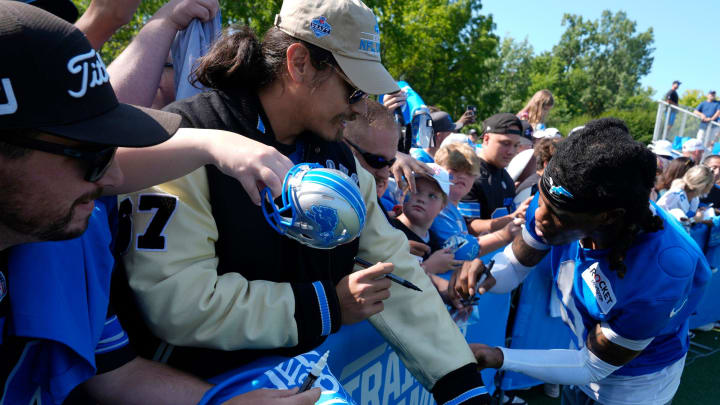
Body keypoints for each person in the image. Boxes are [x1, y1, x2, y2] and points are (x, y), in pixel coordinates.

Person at [120, 0, 491, 402]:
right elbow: (180, 303)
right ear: (298, 63)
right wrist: (326, 306)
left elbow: (396, 271)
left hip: (294, 381)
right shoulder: (189, 140)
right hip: (196, 387)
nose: (358, 108)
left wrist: (463, 387)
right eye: (353, 89)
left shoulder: (339, 158)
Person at [0, 3, 320, 404]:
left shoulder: (62, 236)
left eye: (111, 155)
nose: (113, 179)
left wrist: (219, 402)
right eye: (92, 158)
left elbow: (115, 374)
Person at [452, 118, 711, 405]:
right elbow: (512, 269)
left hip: (634, 385)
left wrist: (500, 356)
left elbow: (593, 366)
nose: (539, 215)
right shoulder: (561, 196)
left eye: (557, 214)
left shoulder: (661, 272)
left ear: (608, 217)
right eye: (542, 200)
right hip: (581, 355)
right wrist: (485, 272)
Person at [459, 113, 529, 236]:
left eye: (516, 145)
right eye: (505, 143)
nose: (511, 151)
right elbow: (468, 227)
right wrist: (514, 217)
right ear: (486, 139)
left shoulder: (505, 177)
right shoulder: (468, 173)